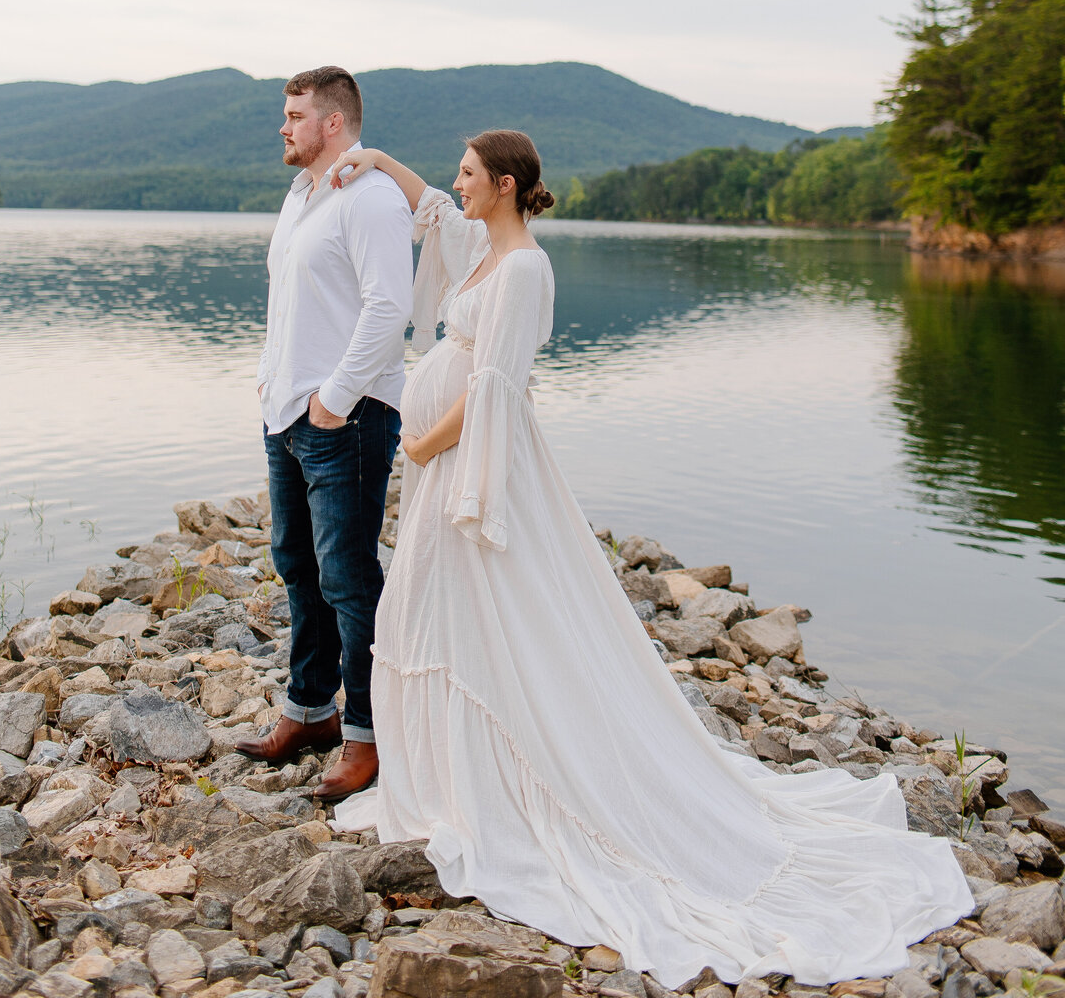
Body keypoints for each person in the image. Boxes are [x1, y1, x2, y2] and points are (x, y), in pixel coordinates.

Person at [326, 129, 972, 988]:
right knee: (430, 610)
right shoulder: (483, 247)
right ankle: (447, 784)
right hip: (446, 467)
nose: (457, 185)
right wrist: (373, 161)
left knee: (485, 614)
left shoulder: (525, 270)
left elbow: (499, 388)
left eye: (471, 174)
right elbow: (432, 212)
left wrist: (425, 446)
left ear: (509, 186)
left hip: (468, 467)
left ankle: (517, 788)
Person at [235, 66, 412, 802]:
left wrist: (333, 401)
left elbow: (388, 309)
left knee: (347, 577)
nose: (285, 125)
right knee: (296, 564)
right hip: (289, 413)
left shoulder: (367, 198)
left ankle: (369, 735)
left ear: (333, 123)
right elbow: (294, 305)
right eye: (286, 112)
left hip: (346, 417)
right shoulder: (301, 196)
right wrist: (272, 379)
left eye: (296, 114)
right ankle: (311, 712)